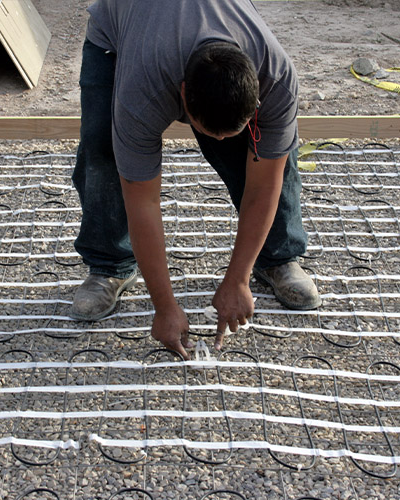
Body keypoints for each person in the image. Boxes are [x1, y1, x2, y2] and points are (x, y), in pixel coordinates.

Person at [69, 0, 321, 359]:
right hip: (120, 31)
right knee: (103, 148)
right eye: (208, 131)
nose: (218, 140)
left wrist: (238, 278)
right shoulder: (141, 90)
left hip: (186, 34)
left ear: (258, 97)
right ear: (183, 95)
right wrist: (164, 307)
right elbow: (143, 199)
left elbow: (266, 183)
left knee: (268, 151)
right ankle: (109, 266)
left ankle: (277, 256)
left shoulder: (276, 78)